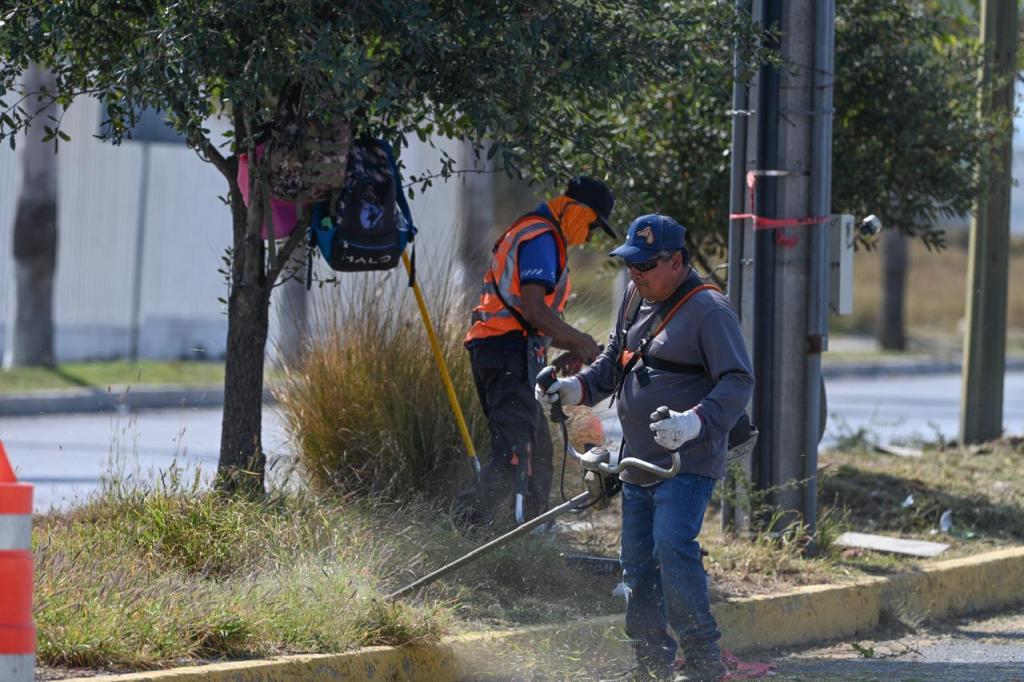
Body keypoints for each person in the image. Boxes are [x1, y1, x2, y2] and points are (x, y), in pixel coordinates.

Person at [536, 214, 754, 681]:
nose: (636, 273)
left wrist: (694, 422)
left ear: (677, 261)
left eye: (647, 265)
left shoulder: (710, 310)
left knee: (672, 545)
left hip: (686, 461)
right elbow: (612, 362)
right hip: (637, 459)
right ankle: (651, 662)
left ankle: (701, 659)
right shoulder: (636, 298)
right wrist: (572, 390)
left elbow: (738, 381)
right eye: (631, 265)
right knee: (635, 562)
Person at [457, 176, 617, 528]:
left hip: (506, 349)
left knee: (537, 451)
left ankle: (532, 528)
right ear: (579, 210)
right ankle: (466, 525)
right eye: (594, 224)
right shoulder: (542, 238)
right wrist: (577, 339)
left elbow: (530, 320)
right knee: (515, 451)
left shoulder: (540, 235)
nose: (591, 235)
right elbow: (533, 310)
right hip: (505, 353)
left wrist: (561, 344)